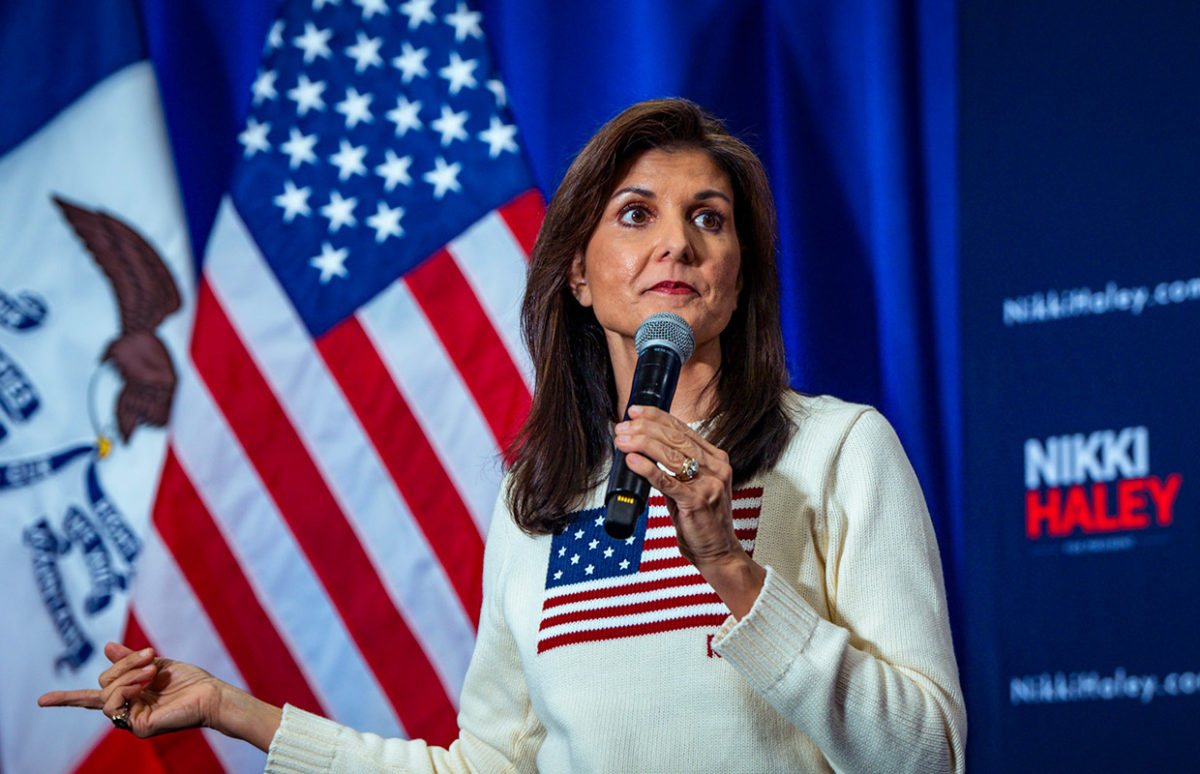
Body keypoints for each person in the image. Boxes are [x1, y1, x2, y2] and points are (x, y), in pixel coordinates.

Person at [40, 98, 966, 773]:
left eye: (709, 219)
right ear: (578, 271)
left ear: (737, 273)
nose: (676, 243)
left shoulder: (840, 451)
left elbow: (925, 755)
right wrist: (235, 712)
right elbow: (484, 768)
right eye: (636, 213)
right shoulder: (541, 500)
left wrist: (729, 566)